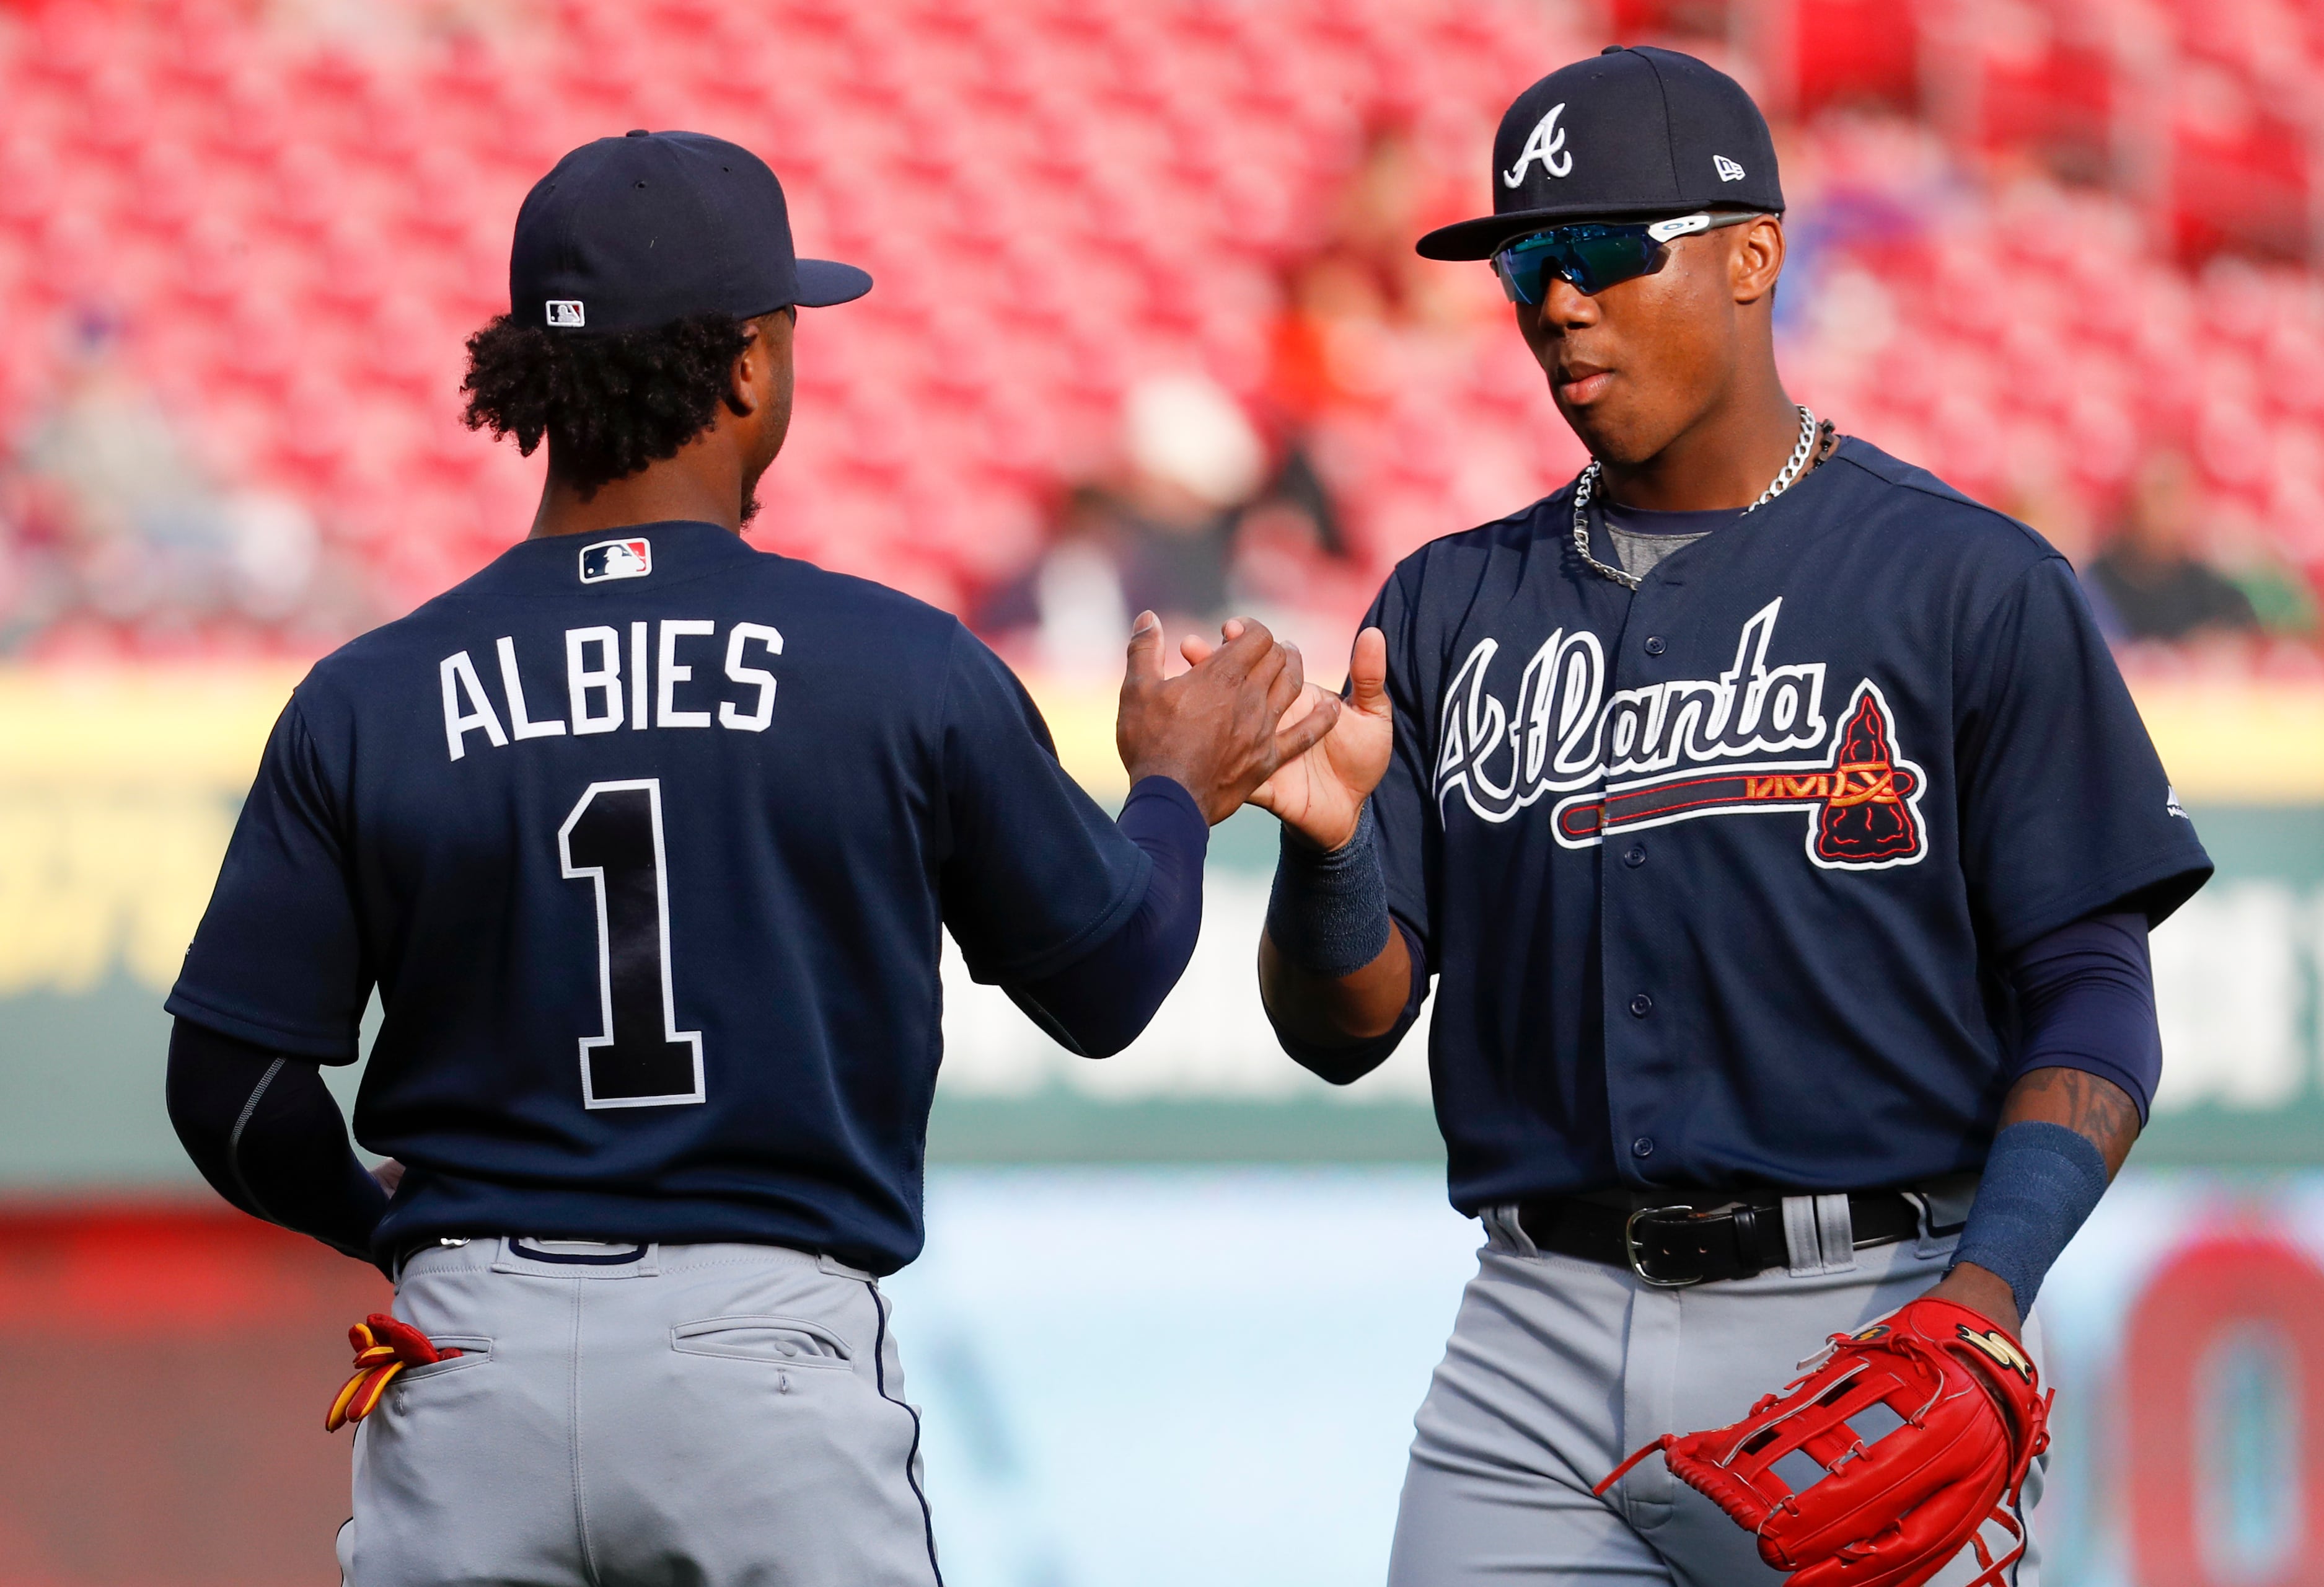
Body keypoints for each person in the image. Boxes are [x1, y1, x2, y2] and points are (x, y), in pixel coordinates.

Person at [162, 130, 1334, 1587]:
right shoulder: (894, 662)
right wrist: (1167, 788)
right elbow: (1104, 984)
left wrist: (386, 1224)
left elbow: (232, 1090)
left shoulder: (372, 691)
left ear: (537, 375)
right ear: (747, 368)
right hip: (762, 1359)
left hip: (468, 1350)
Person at [1244, 50, 2211, 1585]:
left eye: (1604, 249)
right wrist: (1329, 848)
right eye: (1525, 264)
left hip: (1869, 1305)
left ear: (1754, 254)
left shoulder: (1967, 582)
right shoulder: (1442, 601)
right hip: (1530, 1338)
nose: (1555, 302)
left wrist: (1984, 1293)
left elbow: (2093, 996)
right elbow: (1343, 1023)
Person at [2085, 448, 2260, 644]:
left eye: (2177, 496)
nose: (2166, 511)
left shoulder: (2210, 591)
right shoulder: (2095, 584)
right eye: (2160, 494)